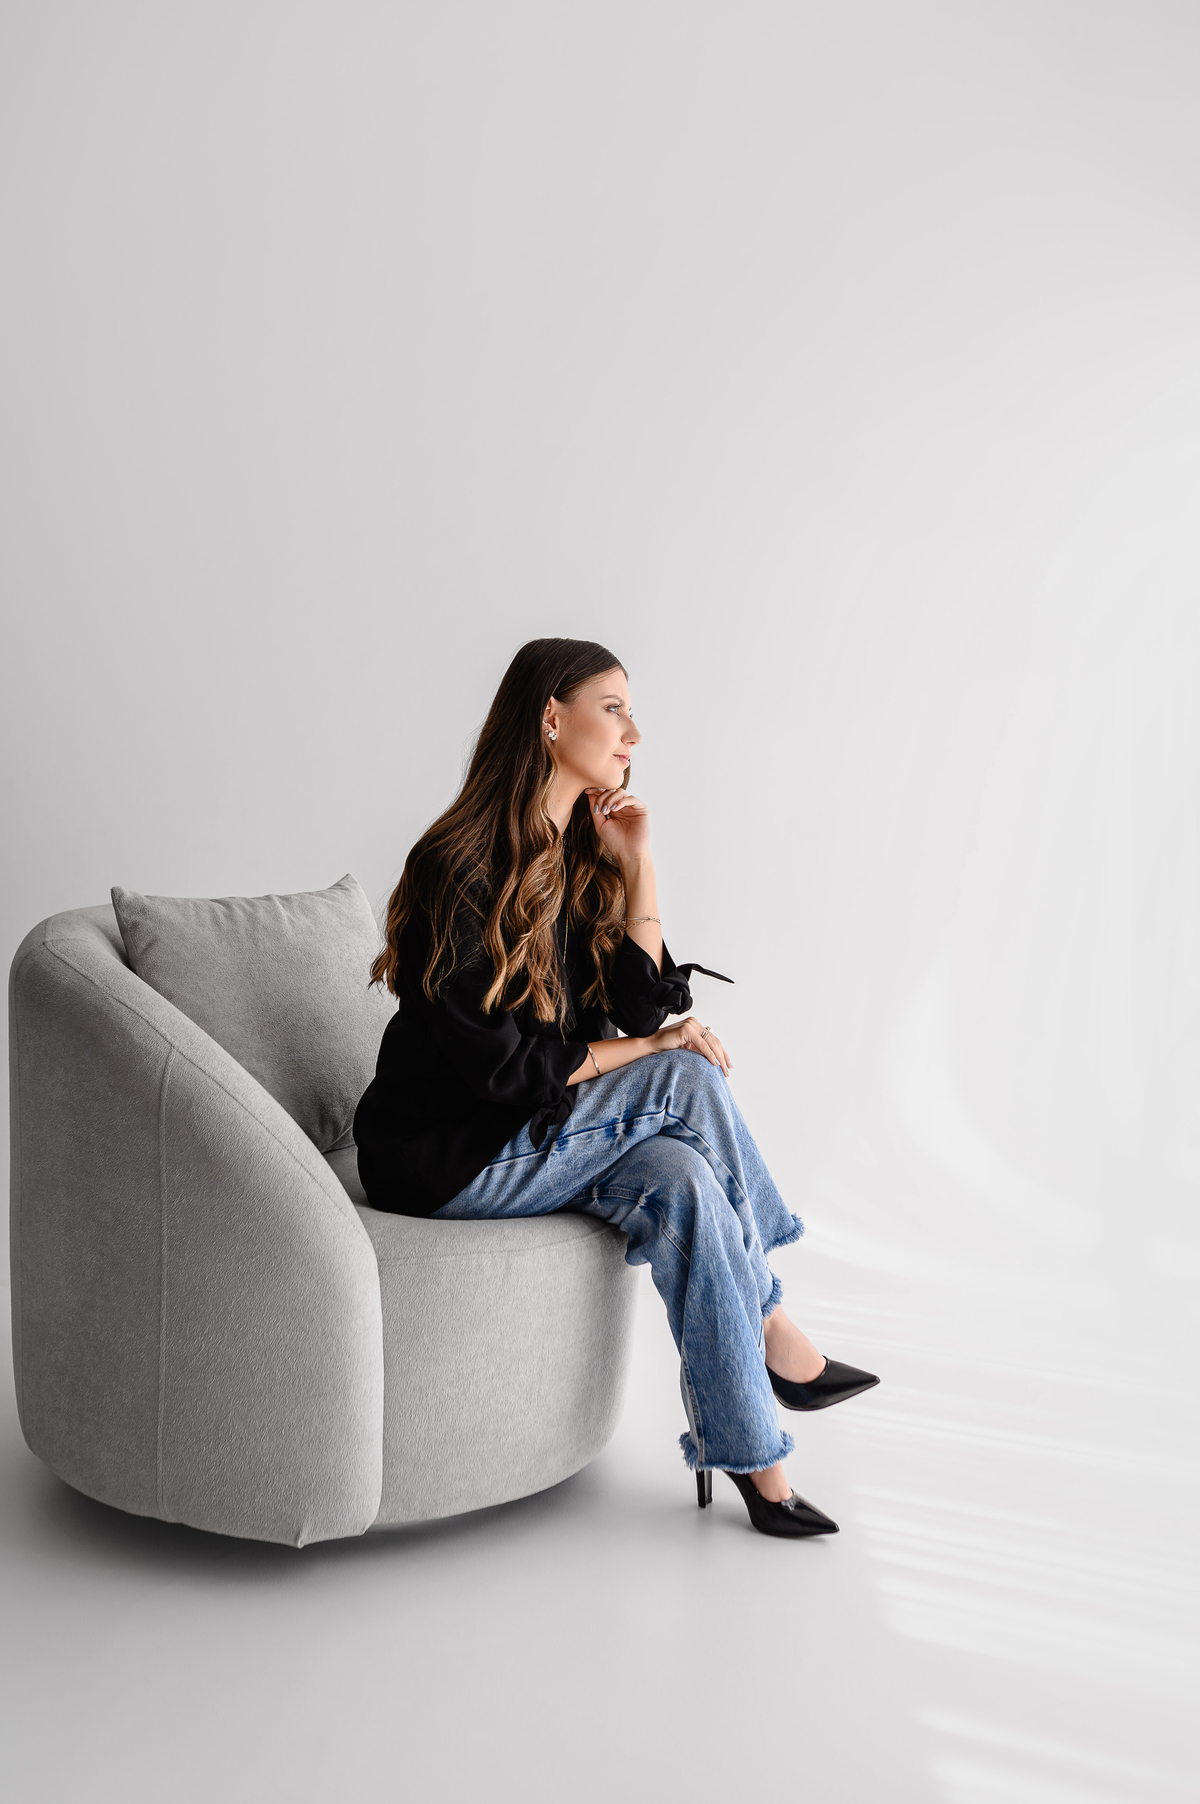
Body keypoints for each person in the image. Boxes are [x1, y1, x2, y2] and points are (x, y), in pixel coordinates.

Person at [354, 637, 879, 1538]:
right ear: (550, 719)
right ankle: (775, 1327)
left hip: (535, 1131)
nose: (634, 733)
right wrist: (654, 1048)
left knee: (683, 1178)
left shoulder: (577, 852)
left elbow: (637, 1003)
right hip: (446, 1154)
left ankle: (759, 1464)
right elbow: (505, 1070)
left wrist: (637, 862)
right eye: (614, 709)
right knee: (679, 1071)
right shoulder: (456, 865)